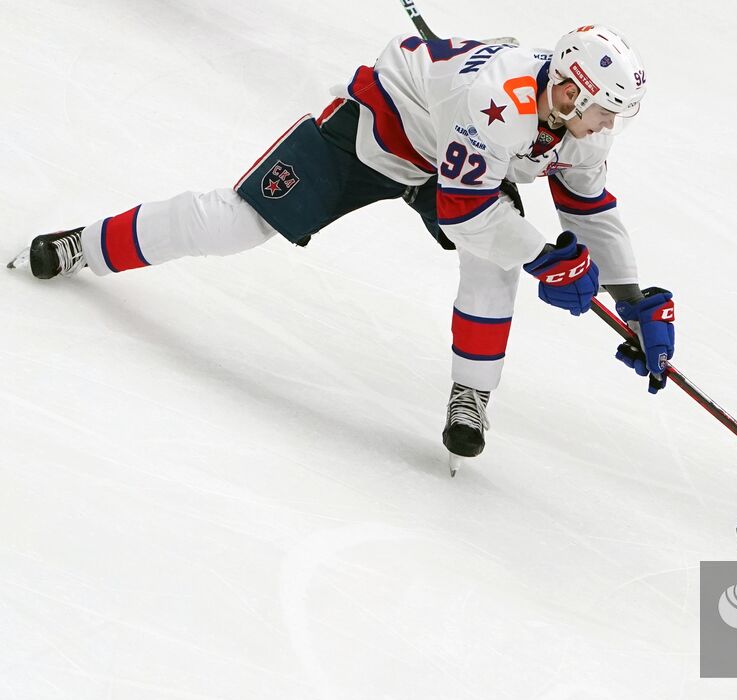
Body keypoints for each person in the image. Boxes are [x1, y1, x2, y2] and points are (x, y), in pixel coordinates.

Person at [11, 25, 676, 473]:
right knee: (236, 221)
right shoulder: (493, 101)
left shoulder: (581, 125)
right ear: (567, 91)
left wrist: (632, 293)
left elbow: (588, 207)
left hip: (459, 160)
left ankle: (470, 397)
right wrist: (543, 256)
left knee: (495, 262)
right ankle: (85, 245)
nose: (609, 126)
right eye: (604, 110)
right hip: (378, 133)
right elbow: (464, 210)